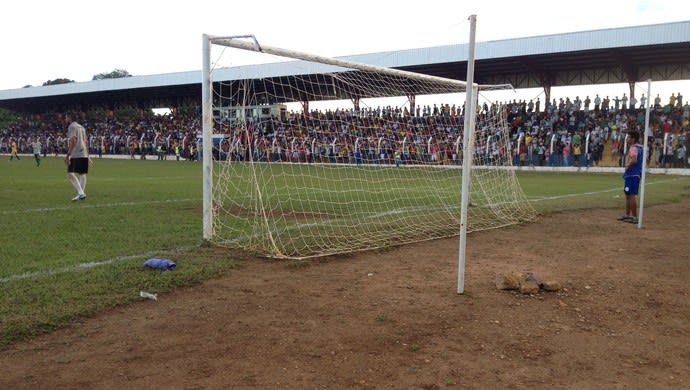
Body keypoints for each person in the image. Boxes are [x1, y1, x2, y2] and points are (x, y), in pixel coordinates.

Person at [64, 112, 92, 201]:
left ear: (69, 118)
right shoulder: (82, 127)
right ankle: (81, 194)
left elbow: (73, 140)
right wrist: (88, 155)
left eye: (66, 117)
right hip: (83, 152)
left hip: (76, 153)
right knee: (82, 173)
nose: (65, 119)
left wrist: (68, 153)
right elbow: (86, 142)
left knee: (70, 173)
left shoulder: (72, 126)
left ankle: (81, 192)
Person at [618, 130, 643, 224]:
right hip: (636, 174)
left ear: (632, 139)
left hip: (631, 174)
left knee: (631, 195)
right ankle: (628, 215)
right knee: (628, 195)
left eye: (628, 137)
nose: (627, 139)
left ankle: (634, 217)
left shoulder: (633, 148)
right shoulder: (641, 147)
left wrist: (627, 166)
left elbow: (634, 160)